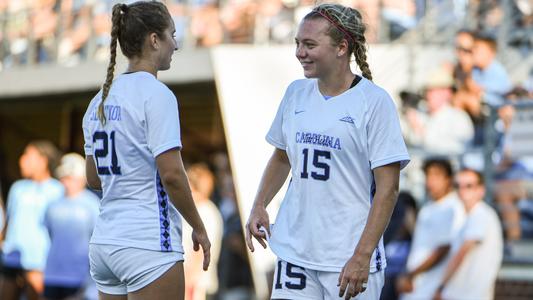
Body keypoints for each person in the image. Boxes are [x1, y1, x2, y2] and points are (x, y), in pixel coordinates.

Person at [245, 3, 410, 300]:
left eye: (309, 44)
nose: (299, 52)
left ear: (341, 47)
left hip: (347, 256)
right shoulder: (296, 93)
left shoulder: (375, 102)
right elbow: (282, 158)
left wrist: (362, 255)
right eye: (297, 43)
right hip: (295, 250)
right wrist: (260, 204)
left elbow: (388, 189)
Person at [82, 2, 210, 299]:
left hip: (105, 243)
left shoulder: (97, 100)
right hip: (148, 243)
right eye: (172, 35)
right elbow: (173, 176)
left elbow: (94, 178)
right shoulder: (157, 94)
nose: (175, 44)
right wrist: (199, 226)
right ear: (154, 40)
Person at [0, 140, 64, 300]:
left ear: (43, 161)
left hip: (38, 261)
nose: (22, 160)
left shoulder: (57, 190)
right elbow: (8, 221)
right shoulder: (18, 188)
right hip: (11, 256)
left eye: (28, 156)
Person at [397, 158, 465, 300]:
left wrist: (410, 275)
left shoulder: (453, 207)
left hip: (432, 289)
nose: (430, 180)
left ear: (448, 179)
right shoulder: (428, 207)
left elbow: (444, 248)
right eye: (428, 175)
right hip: (416, 287)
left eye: (436, 175)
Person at [434, 168, 503, 300]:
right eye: (457, 185)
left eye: (469, 186)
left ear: (481, 190)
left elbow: (461, 254)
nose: (462, 190)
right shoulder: (469, 217)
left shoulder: (481, 214)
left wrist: (440, 287)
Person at [42, 153, 100, 300]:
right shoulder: (53, 204)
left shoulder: (93, 204)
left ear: (82, 179)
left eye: (71, 177)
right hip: (52, 275)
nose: (67, 182)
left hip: (80, 277)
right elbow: (49, 233)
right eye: (64, 177)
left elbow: (96, 241)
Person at [182, 163, 223, 300]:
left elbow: (200, 252)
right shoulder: (204, 210)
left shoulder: (205, 212)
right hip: (196, 284)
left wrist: (189, 283)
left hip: (198, 286)